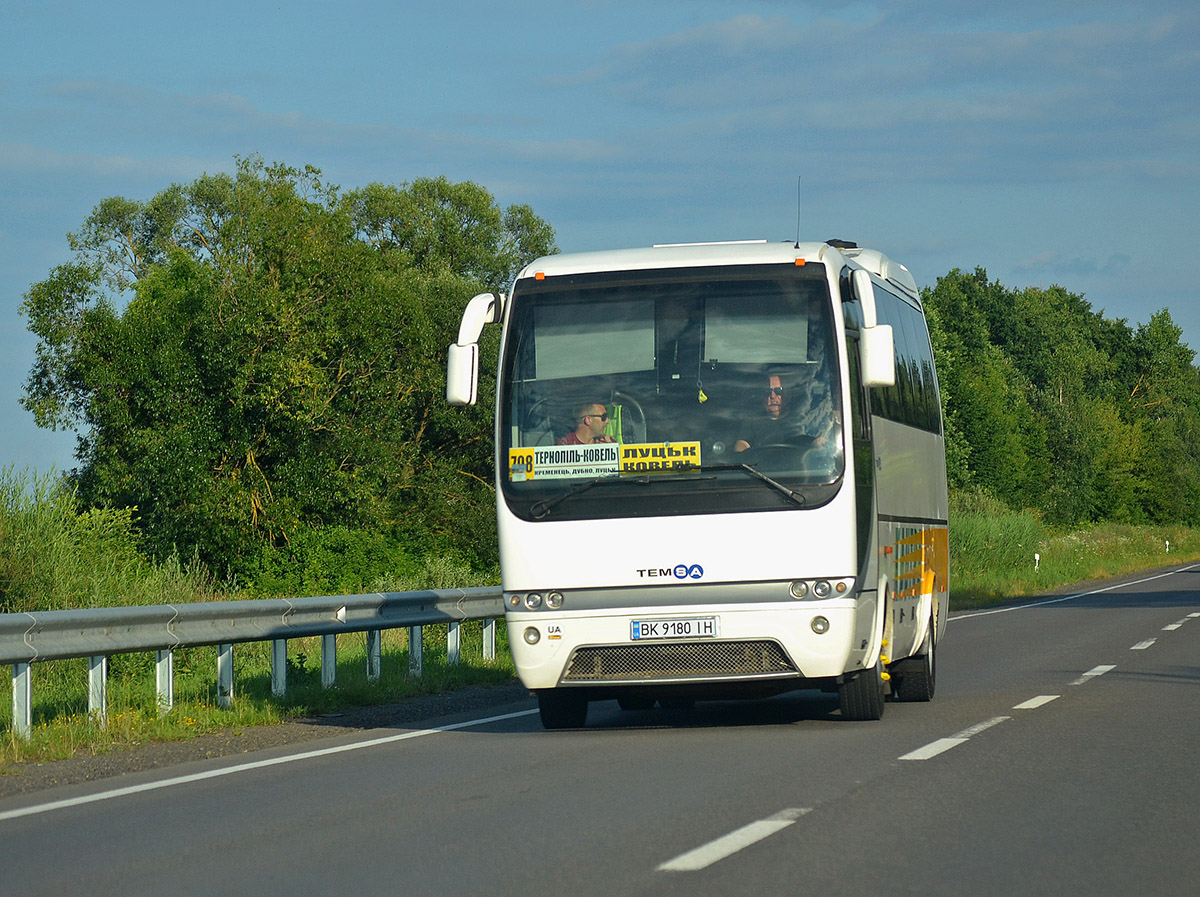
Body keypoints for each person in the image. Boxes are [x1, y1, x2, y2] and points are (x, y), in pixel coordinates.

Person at [734, 373, 833, 454]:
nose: (772, 396)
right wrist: (742, 453)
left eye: (778, 391)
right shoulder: (753, 421)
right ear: (762, 397)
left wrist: (817, 443)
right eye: (767, 392)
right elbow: (742, 445)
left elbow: (815, 441)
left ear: (787, 395)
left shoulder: (801, 419)